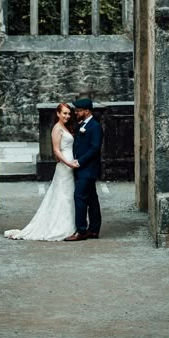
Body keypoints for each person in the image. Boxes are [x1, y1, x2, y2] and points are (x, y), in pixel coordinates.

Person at [4, 102, 76, 241]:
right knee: (63, 196)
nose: (67, 116)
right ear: (58, 114)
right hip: (65, 165)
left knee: (68, 195)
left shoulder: (65, 127)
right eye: (64, 113)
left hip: (70, 164)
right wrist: (68, 163)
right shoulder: (57, 129)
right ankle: (61, 227)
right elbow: (56, 150)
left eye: (68, 113)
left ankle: (68, 225)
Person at [64, 97, 103, 241]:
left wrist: (79, 162)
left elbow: (94, 149)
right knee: (92, 198)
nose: (75, 112)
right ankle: (94, 230)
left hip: (88, 169)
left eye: (78, 110)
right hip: (83, 169)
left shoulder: (95, 127)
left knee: (79, 197)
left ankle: (81, 231)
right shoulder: (82, 124)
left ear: (87, 111)